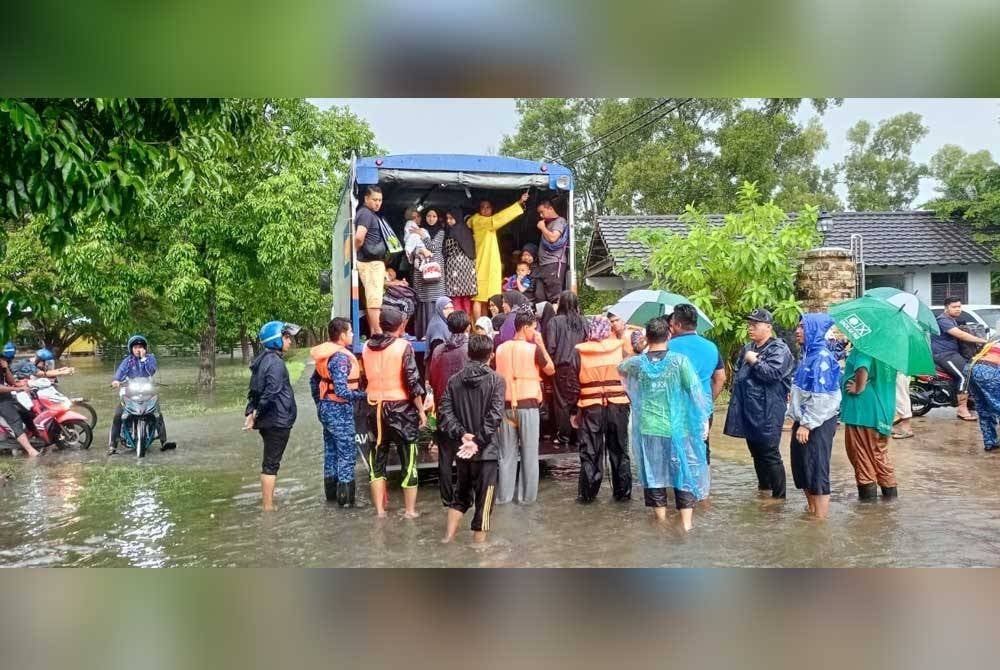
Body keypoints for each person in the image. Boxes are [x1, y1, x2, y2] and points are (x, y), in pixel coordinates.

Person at [619, 317, 710, 530]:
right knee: (683, 471)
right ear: (669, 335)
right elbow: (696, 393)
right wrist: (703, 420)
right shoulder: (679, 362)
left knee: (654, 473)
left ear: (647, 338)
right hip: (679, 428)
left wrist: (640, 352)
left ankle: (661, 522)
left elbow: (620, 368)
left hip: (649, 428)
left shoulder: (638, 363)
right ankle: (686, 525)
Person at [439, 334, 506, 543]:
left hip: (463, 451)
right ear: (491, 355)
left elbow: (444, 413)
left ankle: (447, 539)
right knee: (484, 503)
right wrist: (477, 441)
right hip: (486, 452)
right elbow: (495, 416)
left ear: (468, 354)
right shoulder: (497, 380)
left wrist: (462, 434)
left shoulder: (454, 380)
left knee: (460, 497)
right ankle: (480, 553)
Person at [361, 308, 427, 518]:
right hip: (401, 410)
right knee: (408, 459)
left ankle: (380, 512)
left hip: (374, 408)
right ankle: (409, 512)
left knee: (377, 459)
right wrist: (421, 411)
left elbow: (365, 380)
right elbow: (412, 382)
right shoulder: (403, 346)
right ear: (401, 326)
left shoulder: (365, 347)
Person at [723, 308, 795, 500]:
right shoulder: (748, 348)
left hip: (769, 410)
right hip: (749, 410)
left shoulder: (779, 349)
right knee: (756, 453)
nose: (750, 328)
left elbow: (773, 375)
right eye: (749, 325)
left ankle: (779, 499)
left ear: (768, 327)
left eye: (755, 325)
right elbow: (738, 373)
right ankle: (764, 491)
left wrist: (755, 362)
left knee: (770, 453)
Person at [567, 316, 631, 502]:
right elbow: (630, 378)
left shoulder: (579, 352)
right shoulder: (620, 349)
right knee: (619, 450)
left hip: (590, 408)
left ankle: (587, 496)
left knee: (590, 452)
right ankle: (623, 495)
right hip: (618, 407)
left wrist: (573, 411)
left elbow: (572, 386)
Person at [495, 307, 555, 504]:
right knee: (529, 456)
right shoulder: (534, 348)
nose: (535, 331)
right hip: (527, 407)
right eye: (534, 328)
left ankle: (503, 499)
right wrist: (541, 343)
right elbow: (550, 369)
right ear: (526, 327)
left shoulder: (500, 349)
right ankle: (527, 500)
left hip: (505, 407)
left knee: (506, 456)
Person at [788, 314, 842, 519]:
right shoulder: (808, 355)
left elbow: (823, 397)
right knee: (802, 469)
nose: (798, 331)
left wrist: (808, 424)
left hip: (817, 423)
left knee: (817, 469)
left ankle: (819, 521)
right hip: (803, 421)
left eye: (803, 327)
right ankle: (811, 512)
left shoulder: (822, 358)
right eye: (798, 326)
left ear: (815, 331)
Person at [310, 317, 367, 507]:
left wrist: (320, 403)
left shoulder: (325, 356)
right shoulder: (341, 358)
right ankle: (346, 502)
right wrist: (365, 396)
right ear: (342, 335)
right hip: (339, 409)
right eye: (350, 332)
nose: (352, 335)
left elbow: (314, 382)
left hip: (326, 407)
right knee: (347, 454)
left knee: (331, 451)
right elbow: (343, 391)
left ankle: (331, 496)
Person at [245, 321, 300, 511]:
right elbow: (270, 392)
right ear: (276, 340)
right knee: (271, 464)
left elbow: (253, 391)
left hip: (270, 420)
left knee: (270, 461)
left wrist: (251, 412)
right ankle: (268, 507)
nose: (290, 341)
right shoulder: (275, 363)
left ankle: (268, 503)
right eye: (286, 337)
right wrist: (255, 414)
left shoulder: (261, 360)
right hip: (277, 420)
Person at [667, 305, 725, 463]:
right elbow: (720, 378)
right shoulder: (711, 347)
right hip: (703, 409)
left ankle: (680, 486)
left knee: (677, 453)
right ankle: (703, 486)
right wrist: (707, 401)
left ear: (678, 325)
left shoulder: (668, 347)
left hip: (676, 409)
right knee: (701, 448)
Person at [841, 345, 898, 501]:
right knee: (879, 457)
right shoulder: (890, 349)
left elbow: (862, 367)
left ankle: (868, 515)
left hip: (863, 412)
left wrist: (858, 388)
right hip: (885, 409)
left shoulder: (865, 346)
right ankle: (890, 504)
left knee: (862, 459)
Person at [427, 310, 471, 508]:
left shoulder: (438, 351)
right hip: (464, 410)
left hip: (443, 408)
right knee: (465, 453)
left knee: (445, 456)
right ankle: (463, 497)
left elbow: (433, 379)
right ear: (468, 327)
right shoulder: (469, 349)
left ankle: (446, 498)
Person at [109, 335, 175, 454]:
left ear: (145, 348)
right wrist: (116, 381)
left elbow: (152, 370)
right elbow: (120, 373)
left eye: (140, 347)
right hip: (130, 392)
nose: (138, 349)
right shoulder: (127, 361)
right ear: (131, 349)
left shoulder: (150, 358)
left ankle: (164, 442)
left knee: (158, 414)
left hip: (147, 392)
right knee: (118, 415)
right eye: (135, 347)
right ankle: (112, 445)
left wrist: (144, 358)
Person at [469, 192, 530, 320]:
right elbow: (499, 218)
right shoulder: (480, 221)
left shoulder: (482, 221)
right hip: (481, 264)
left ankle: (485, 326)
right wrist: (518, 203)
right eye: (483, 207)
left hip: (486, 264)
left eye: (488, 207)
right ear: (479, 210)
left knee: (485, 299)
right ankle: (478, 327)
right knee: (478, 299)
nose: (485, 210)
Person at [931, 297, 987, 421]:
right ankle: (962, 409)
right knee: (965, 374)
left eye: (959, 307)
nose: (958, 309)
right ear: (946, 308)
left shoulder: (953, 320)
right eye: (954, 307)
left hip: (953, 353)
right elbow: (960, 335)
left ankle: (969, 401)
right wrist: (983, 341)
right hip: (944, 355)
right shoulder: (942, 320)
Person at [544, 290, 587, 447]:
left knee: (562, 403)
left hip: (561, 367)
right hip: (582, 366)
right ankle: (578, 434)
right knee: (579, 400)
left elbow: (551, 347)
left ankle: (564, 436)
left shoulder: (555, 322)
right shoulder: (583, 322)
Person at [354, 185, 391, 336]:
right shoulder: (366, 214)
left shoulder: (367, 214)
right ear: (366, 199)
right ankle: (378, 333)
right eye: (374, 199)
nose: (378, 203)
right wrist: (355, 252)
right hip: (370, 263)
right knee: (375, 300)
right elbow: (358, 237)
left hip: (371, 262)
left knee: (373, 299)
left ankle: (375, 331)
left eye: (380, 200)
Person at [412, 208, 447, 341]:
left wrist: (423, 235)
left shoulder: (440, 231)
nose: (431, 219)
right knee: (424, 302)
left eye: (434, 216)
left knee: (436, 302)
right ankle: (423, 333)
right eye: (428, 216)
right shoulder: (420, 230)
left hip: (436, 272)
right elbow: (412, 248)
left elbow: (433, 247)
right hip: (422, 272)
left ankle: (437, 334)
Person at [0, 342, 39, 457]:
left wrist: (6, 368)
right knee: (15, 420)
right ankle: (30, 450)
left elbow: (11, 381)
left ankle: (38, 437)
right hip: (1, 400)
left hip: (6, 396)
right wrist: (17, 389)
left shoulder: (3, 365)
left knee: (27, 413)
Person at [533, 199, 569, 304]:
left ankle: (557, 319)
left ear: (550, 208)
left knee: (555, 297)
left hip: (553, 263)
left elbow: (553, 238)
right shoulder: (549, 223)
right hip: (544, 265)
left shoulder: (560, 221)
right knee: (540, 296)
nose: (541, 215)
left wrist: (543, 228)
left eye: (542, 212)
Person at [443, 209, 478, 315]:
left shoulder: (452, 231)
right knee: (466, 299)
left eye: (451, 218)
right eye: (447, 218)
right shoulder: (466, 230)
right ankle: (466, 323)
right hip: (468, 269)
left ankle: (457, 324)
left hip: (454, 269)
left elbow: (448, 249)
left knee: (456, 298)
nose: (448, 221)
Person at [967, 341, 1000, 452]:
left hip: (972, 368)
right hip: (990, 370)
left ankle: (990, 442)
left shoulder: (996, 341)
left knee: (983, 408)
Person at [11, 348, 75, 380]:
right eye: (46, 363)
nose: (46, 366)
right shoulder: (28, 365)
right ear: (41, 361)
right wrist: (64, 372)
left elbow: (47, 372)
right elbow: (43, 374)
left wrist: (61, 369)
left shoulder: (33, 363)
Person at [423, 296, 454, 361]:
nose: (450, 311)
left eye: (451, 308)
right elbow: (437, 353)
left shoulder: (445, 322)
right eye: (445, 308)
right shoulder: (438, 326)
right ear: (439, 309)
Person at [892, 372, 915, 440]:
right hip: (897, 371)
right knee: (896, 398)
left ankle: (906, 429)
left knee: (901, 398)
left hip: (900, 372)